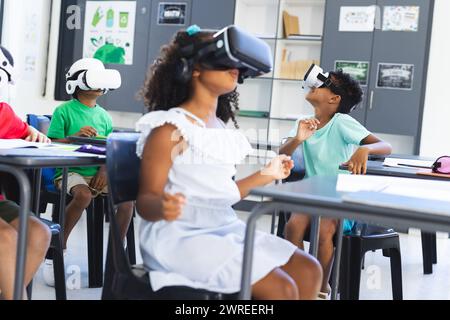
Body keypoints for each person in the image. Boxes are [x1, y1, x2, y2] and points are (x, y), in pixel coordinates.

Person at [135, 26, 322, 300]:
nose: (233, 66)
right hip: (180, 238)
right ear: (195, 69)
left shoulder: (219, 129)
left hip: (224, 228)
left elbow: (222, 195)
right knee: (283, 289)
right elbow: (145, 201)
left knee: (309, 270)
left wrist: (265, 174)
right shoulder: (169, 129)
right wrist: (163, 205)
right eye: (223, 58)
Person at [279, 68, 393, 299]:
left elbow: (385, 146)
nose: (314, 86)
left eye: (322, 84)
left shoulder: (341, 122)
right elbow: (282, 152)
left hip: (340, 197)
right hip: (313, 193)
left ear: (334, 98)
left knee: (324, 230)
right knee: (292, 227)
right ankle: (301, 279)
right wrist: (298, 139)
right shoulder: (304, 123)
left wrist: (363, 149)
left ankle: (321, 288)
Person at [44, 58, 134, 286]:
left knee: (127, 200)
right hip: (69, 171)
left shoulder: (104, 116)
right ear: (77, 83)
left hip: (97, 172)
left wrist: (104, 168)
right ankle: (58, 247)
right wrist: (76, 137)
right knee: (83, 195)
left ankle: (116, 254)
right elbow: (52, 143)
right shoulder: (63, 111)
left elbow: (109, 148)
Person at [0, 45, 51, 300]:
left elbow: (27, 133)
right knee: (6, 238)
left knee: (39, 233)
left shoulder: (3, 112)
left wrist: (35, 133)